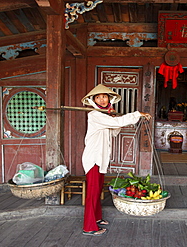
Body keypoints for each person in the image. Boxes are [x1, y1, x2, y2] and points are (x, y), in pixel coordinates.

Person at [80, 84, 151, 236]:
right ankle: (89, 226)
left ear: (108, 99)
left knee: (98, 190)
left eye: (104, 96)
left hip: (101, 158)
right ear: (93, 100)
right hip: (93, 159)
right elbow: (117, 123)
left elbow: (114, 131)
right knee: (92, 193)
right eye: (98, 97)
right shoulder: (94, 115)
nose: (102, 99)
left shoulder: (104, 116)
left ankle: (97, 218)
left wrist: (114, 117)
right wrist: (137, 114)